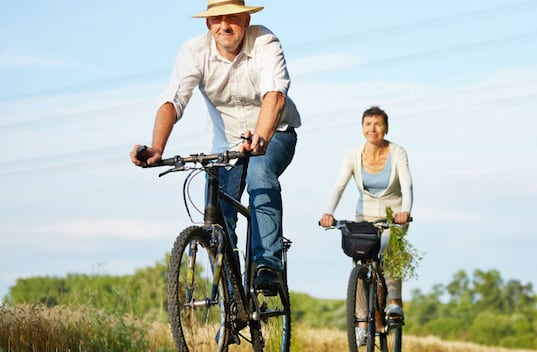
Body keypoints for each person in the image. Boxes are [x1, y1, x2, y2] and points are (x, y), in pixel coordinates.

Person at [130, 0, 300, 295]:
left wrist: (261, 137)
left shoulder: (265, 41)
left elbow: (275, 95)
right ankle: (229, 298)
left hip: (274, 134)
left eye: (232, 18)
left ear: (245, 20)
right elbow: (173, 99)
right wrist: (157, 147)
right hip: (226, 144)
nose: (225, 25)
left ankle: (267, 266)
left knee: (260, 176)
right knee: (218, 217)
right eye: (217, 19)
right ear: (208, 24)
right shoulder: (194, 51)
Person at [318, 106, 413, 344]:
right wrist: (328, 212)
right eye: (368, 124)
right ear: (362, 128)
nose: (373, 129)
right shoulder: (353, 155)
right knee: (360, 261)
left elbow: (408, 186)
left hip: (394, 217)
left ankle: (394, 303)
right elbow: (339, 185)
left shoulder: (397, 152)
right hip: (365, 217)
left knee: (391, 245)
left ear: (386, 128)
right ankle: (362, 324)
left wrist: (405, 212)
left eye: (378, 124)